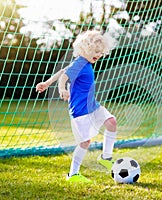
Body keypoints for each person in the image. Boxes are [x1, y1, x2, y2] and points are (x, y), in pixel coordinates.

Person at [36, 30, 117, 183]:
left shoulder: (83, 62)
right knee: (85, 143)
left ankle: (106, 157)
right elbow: (65, 77)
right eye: (96, 51)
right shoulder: (80, 63)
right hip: (81, 111)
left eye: (101, 52)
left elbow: (62, 71)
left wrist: (46, 83)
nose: (99, 55)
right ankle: (73, 174)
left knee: (111, 122)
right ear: (85, 49)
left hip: (93, 106)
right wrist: (62, 89)